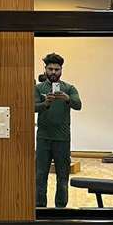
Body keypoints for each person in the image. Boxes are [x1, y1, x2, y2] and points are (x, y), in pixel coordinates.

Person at [35, 52, 82, 208]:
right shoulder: (38, 88)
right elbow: (32, 107)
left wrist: (67, 98)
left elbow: (78, 105)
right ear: (45, 69)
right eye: (50, 69)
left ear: (61, 70)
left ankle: (61, 210)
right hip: (43, 138)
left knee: (63, 177)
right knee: (40, 176)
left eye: (57, 69)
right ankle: (40, 208)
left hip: (62, 139)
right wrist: (45, 104)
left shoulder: (69, 88)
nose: (53, 72)